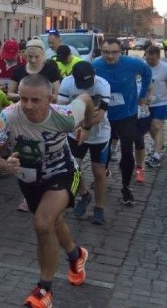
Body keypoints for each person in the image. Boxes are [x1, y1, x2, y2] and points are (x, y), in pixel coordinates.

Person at [0, 75, 93, 308]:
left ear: (50, 99)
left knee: (43, 223)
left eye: (35, 100)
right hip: (28, 177)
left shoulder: (65, 116)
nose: (28, 106)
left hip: (62, 170)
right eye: (23, 99)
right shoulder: (9, 116)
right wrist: (3, 165)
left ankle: (44, 290)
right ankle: (76, 255)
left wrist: (87, 126)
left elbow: (86, 98)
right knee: (52, 222)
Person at [92, 37, 151, 206]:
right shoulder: (95, 65)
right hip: (104, 116)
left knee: (126, 151)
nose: (110, 56)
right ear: (101, 52)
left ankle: (126, 187)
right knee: (105, 150)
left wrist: (143, 95)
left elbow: (147, 74)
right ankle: (103, 174)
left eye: (114, 53)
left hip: (127, 114)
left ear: (121, 51)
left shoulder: (132, 63)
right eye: (106, 52)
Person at [59, 62, 111, 225]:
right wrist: (77, 127)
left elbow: (100, 115)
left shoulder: (103, 85)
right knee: (73, 168)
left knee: (98, 171)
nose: (85, 89)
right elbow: (63, 112)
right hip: (73, 131)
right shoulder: (66, 83)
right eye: (81, 85)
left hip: (99, 134)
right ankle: (84, 195)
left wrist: (86, 127)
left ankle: (99, 208)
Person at [143, 46, 167, 169]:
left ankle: (156, 156)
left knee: (157, 126)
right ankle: (159, 144)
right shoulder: (142, 66)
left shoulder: (166, 69)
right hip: (144, 104)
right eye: (147, 59)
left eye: (152, 60)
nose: (149, 61)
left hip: (160, 103)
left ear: (158, 57)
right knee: (149, 129)